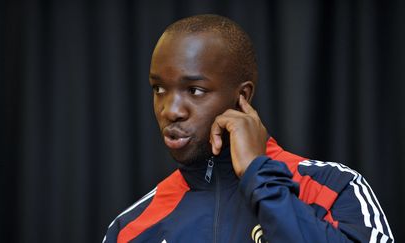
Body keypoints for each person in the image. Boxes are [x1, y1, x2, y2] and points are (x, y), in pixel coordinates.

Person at [103, 14, 393, 243]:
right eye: (159, 88)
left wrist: (260, 176)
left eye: (194, 90)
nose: (170, 110)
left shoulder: (335, 188)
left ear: (243, 96)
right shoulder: (131, 227)